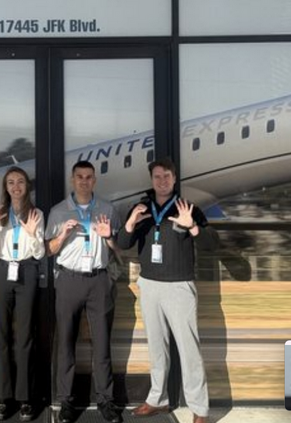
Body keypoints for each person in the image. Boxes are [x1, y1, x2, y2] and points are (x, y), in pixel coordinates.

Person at [116, 158, 218, 423]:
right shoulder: (141, 209)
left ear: (174, 179)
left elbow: (211, 244)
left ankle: (199, 409)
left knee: (188, 350)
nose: (162, 181)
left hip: (179, 287)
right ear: (152, 180)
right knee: (156, 347)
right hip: (149, 285)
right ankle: (157, 399)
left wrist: (192, 226)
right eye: (157, 177)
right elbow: (123, 243)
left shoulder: (188, 208)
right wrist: (130, 223)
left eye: (167, 176)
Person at [46, 161, 122, 423]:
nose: (84, 181)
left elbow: (118, 248)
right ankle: (66, 401)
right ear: (72, 180)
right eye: (79, 177)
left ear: (94, 180)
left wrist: (109, 236)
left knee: (102, 343)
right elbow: (48, 250)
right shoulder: (58, 212)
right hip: (69, 280)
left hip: (98, 280)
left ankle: (106, 400)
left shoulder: (108, 209)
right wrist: (62, 235)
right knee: (65, 342)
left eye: (89, 177)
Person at [0, 167, 45, 421]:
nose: (16, 186)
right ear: (6, 187)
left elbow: (40, 253)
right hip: (1, 271)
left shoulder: (36, 213)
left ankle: (25, 397)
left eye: (20, 181)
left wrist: (32, 235)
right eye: (11, 182)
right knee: (2, 336)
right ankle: (3, 397)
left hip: (27, 271)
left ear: (27, 186)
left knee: (25, 336)